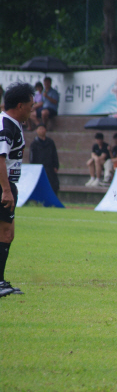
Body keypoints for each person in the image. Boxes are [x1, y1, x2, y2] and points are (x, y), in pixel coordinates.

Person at [0, 82, 34, 297]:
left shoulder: (12, 122)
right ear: (20, 105)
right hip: (3, 186)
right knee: (5, 232)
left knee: (7, 233)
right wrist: (6, 190)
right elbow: (0, 159)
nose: (32, 109)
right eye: (30, 105)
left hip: (8, 184)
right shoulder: (6, 125)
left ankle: (1, 281)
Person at [29, 124, 59, 194]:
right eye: (40, 129)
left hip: (49, 167)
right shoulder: (34, 144)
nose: (41, 131)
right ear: (37, 131)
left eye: (43, 129)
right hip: (38, 167)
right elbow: (32, 157)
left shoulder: (50, 142)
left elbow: (54, 154)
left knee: (52, 183)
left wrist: (56, 166)